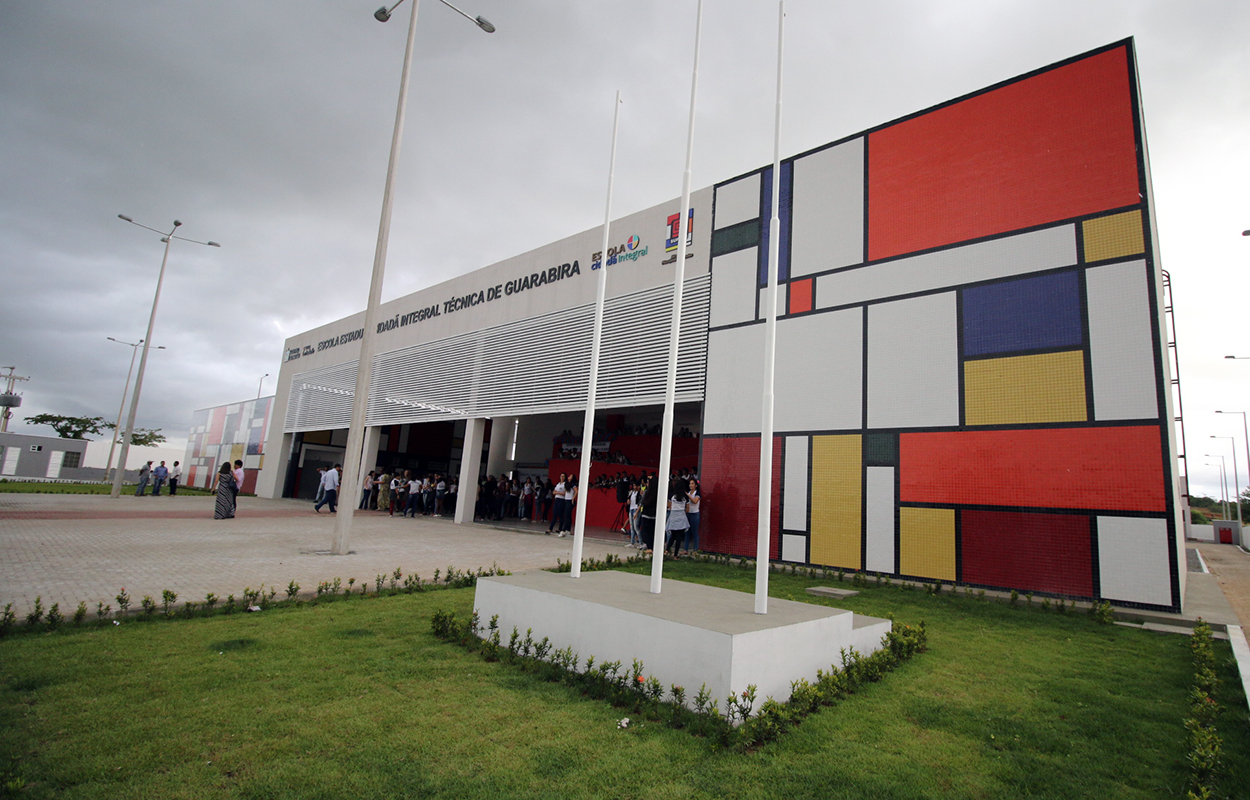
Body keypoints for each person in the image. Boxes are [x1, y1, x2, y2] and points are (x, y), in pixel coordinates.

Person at [665, 487, 689, 558]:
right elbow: (687, 509)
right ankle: (675, 555)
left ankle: (666, 551)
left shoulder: (672, 496)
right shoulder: (685, 497)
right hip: (681, 518)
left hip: (673, 517)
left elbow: (669, 506)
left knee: (672, 536)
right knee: (678, 538)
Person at [684, 479, 701, 555]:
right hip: (688, 513)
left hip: (695, 514)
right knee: (687, 532)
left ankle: (695, 550)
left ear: (696, 485)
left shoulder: (697, 493)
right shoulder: (688, 493)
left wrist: (688, 495)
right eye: (690, 484)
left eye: (692, 484)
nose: (691, 485)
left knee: (694, 532)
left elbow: (695, 501)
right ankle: (685, 549)